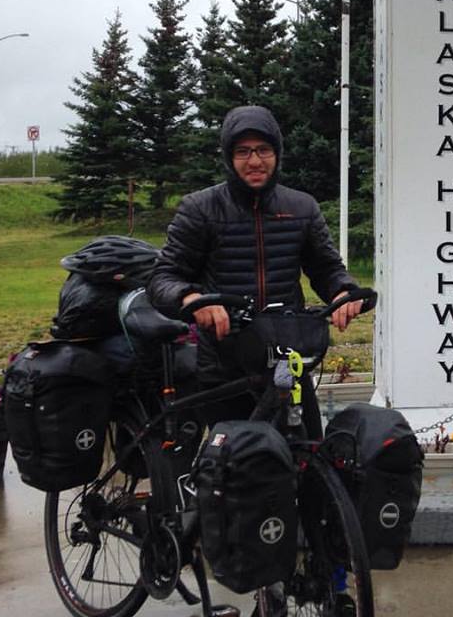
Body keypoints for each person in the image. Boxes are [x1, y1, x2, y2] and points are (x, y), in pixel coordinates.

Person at [147, 103, 364, 435]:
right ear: (228, 157)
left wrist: (342, 291)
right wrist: (191, 299)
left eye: (263, 149)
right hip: (223, 364)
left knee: (308, 454)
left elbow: (326, 267)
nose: (254, 161)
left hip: (287, 359)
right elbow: (163, 277)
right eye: (243, 151)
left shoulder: (301, 207)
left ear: (277, 153)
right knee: (239, 458)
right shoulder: (200, 209)